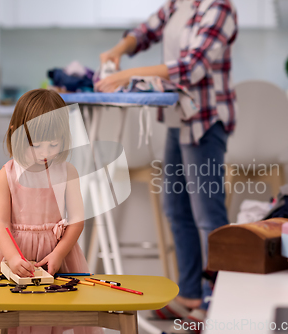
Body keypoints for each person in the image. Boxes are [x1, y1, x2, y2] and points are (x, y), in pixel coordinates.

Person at [97, 0, 238, 327]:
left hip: (205, 121)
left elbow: (191, 68)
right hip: (178, 120)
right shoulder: (178, 4)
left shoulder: (220, 8)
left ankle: (214, 301)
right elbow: (146, 31)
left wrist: (127, 74)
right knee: (176, 209)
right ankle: (189, 295)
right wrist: (118, 50)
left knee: (208, 215)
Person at [0, 89, 102, 334]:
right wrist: (14, 258)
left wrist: (59, 254)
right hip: (15, 254)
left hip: (58, 254)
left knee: (60, 313)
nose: (45, 152)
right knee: (12, 316)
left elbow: (77, 221)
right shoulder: (6, 175)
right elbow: (0, 223)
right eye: (35, 145)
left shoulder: (68, 172)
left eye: (53, 144)